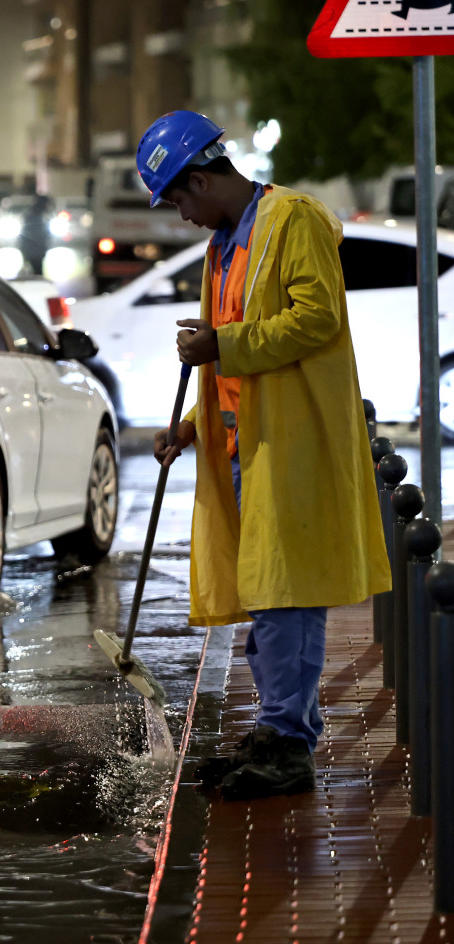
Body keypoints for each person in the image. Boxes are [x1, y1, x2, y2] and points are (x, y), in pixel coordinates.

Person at [136, 110, 390, 801]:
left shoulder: (293, 220)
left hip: (295, 442)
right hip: (245, 443)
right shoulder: (226, 244)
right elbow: (237, 359)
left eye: (180, 199)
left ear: (200, 178)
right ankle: (281, 727)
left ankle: (288, 743)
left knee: (288, 592)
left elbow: (316, 318)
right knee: (269, 593)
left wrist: (220, 346)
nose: (182, 216)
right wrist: (190, 427)